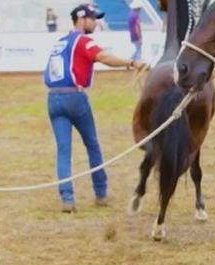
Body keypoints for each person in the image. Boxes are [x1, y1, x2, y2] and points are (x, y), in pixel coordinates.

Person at [43, 4, 148, 213]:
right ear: (81, 20)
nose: (95, 22)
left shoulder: (61, 42)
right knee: (92, 144)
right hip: (75, 96)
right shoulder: (83, 41)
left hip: (54, 97)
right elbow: (103, 57)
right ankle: (101, 193)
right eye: (92, 18)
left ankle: (68, 199)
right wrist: (132, 63)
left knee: (63, 151)